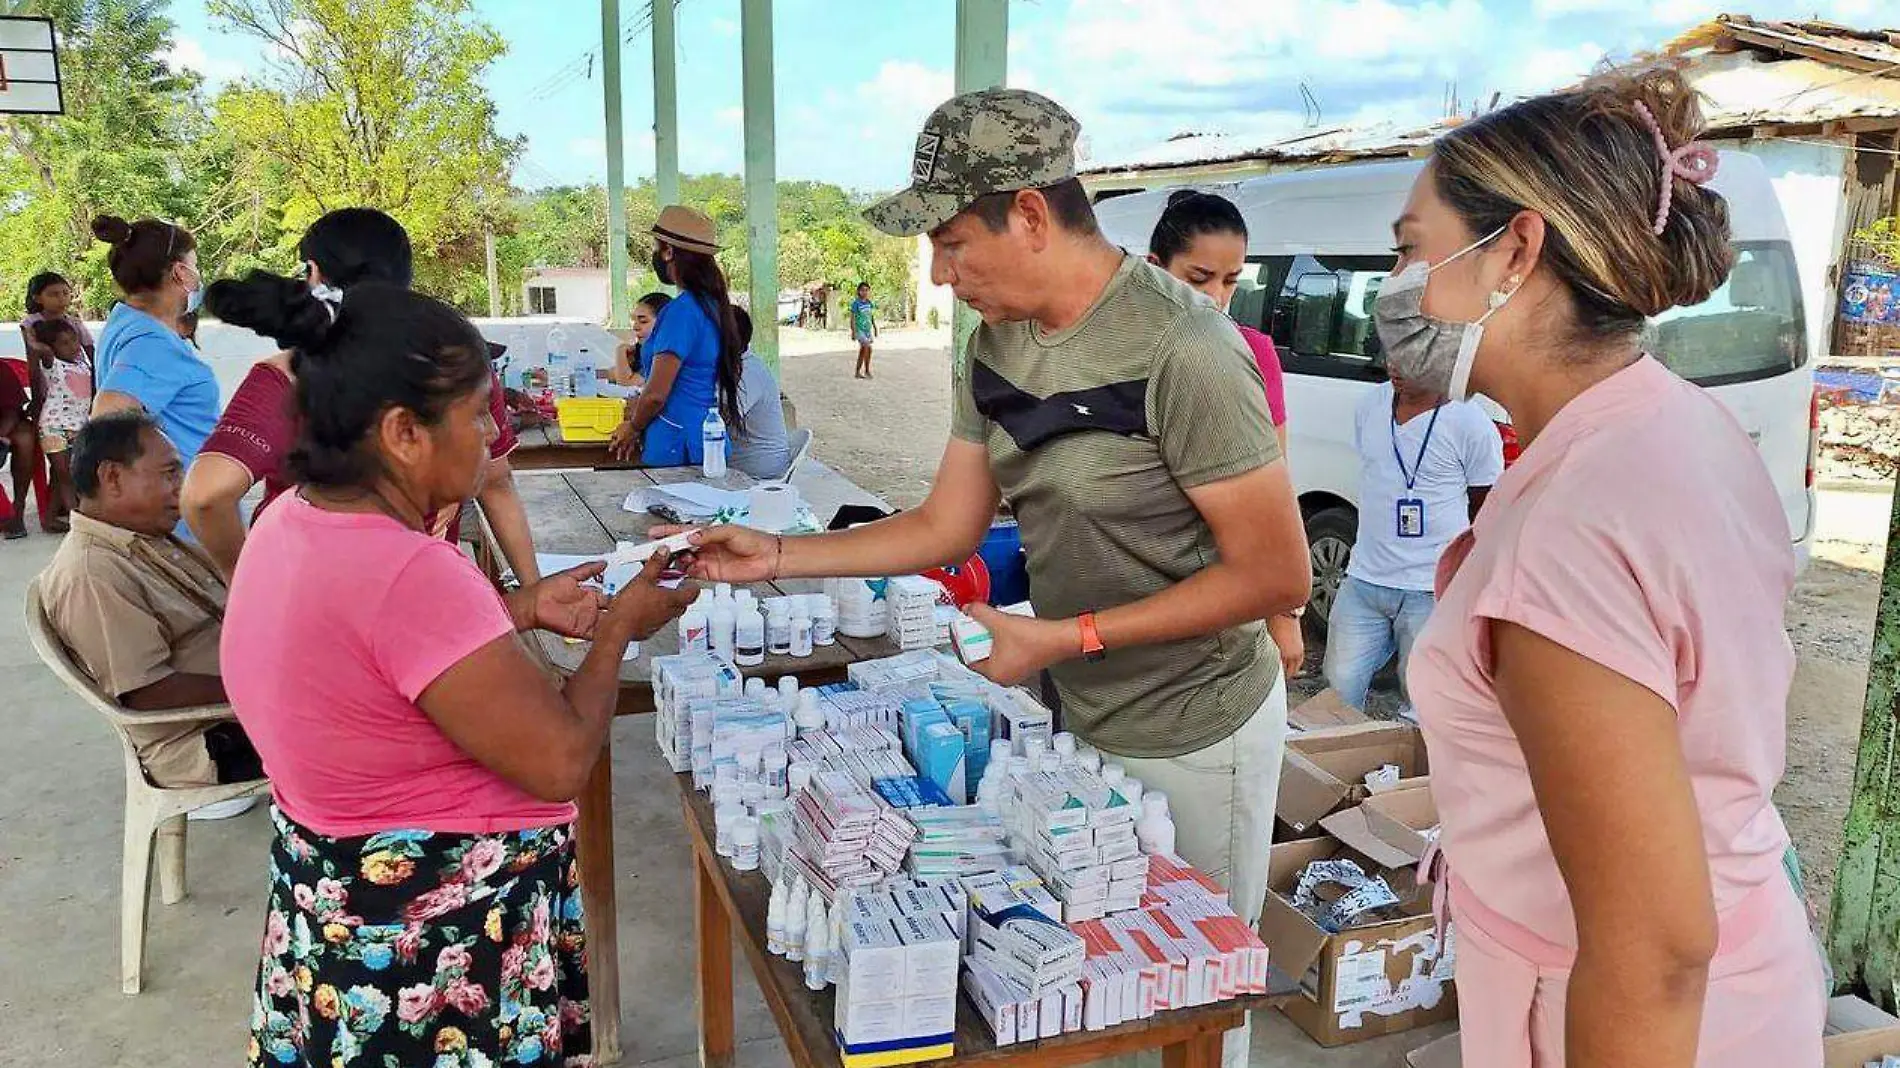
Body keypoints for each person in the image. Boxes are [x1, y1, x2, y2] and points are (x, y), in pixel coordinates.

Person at [668, 89, 1308, 1068]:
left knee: (1186, 1015)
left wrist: (1062, 636)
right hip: (1073, 722)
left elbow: (1273, 575)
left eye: (953, 241)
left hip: (1194, 727)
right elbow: (942, 525)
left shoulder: (1185, 352)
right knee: (1079, 998)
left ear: (1032, 215)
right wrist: (782, 556)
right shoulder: (994, 347)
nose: (938, 269)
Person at [1394, 65, 1825, 1066]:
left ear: (1516, 250)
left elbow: (1652, 949)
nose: (1395, 288)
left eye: (1409, 250)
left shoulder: (1572, 522)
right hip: (1735, 978)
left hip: (1637, 1021)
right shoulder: (1668, 421)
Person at [214, 276, 696, 1067]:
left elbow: (371, 659)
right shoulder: (413, 573)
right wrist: (621, 631)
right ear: (404, 431)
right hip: (437, 953)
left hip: (335, 924)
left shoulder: (289, 522)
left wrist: (524, 606)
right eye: (478, 415)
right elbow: (561, 761)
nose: (491, 437)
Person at [185, 208, 544, 584]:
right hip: (417, 590)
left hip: (303, 596)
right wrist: (533, 588)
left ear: (313, 274)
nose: (487, 431)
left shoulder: (288, 374)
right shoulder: (458, 365)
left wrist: (244, 582)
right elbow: (496, 482)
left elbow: (205, 494)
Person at [37, 411, 263, 810]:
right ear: (112, 478)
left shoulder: (143, 539)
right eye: (169, 474)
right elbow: (149, 692)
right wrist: (272, 691)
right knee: (380, 729)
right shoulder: (92, 572)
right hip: (208, 741)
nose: (182, 488)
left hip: (240, 713)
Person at [1146, 188, 1303, 679]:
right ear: (1154, 268)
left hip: (1220, 594)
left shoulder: (1252, 354)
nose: (1215, 296)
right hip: (1133, 589)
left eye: (1231, 281)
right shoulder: (1119, 354)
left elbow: (1274, 491)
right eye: (1199, 278)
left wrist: (1284, 612)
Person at [1324, 365, 1500, 716]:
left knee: (1424, 701)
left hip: (1431, 588)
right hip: (1364, 579)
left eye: (1408, 355)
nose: (1395, 367)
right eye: (1391, 354)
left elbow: (1488, 505)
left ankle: (1418, 770)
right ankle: (1338, 761)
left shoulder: (1470, 422)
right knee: (1337, 691)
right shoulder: (1371, 406)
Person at [607, 206, 745, 466]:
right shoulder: (711, 305)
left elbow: (657, 393)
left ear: (669, 251)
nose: (655, 254)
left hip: (676, 442)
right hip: (704, 437)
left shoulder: (681, 312)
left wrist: (633, 427)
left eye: (657, 247)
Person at [89, 217, 218, 483]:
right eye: (194, 265)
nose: (197, 275)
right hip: (179, 510)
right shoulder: (152, 341)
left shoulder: (126, 320)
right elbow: (108, 414)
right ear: (180, 272)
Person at [31, 319, 97, 529]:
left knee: (63, 477)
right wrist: (30, 332)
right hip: (54, 427)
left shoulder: (83, 361)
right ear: (52, 348)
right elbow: (37, 347)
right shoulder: (53, 364)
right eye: (64, 343)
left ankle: (50, 519)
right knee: (66, 476)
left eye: (73, 340)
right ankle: (78, 522)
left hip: (78, 427)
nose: (72, 346)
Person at [726, 306, 793, 478]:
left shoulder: (748, 372)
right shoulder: (735, 366)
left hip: (758, 471)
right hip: (742, 465)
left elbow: (719, 419)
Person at [610, 291, 673, 387]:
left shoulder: (667, 355)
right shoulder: (641, 352)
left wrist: (620, 351)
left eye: (643, 321)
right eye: (634, 321)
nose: (635, 327)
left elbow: (627, 384)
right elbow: (611, 374)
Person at [850, 282, 877, 379]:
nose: (864, 292)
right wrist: (853, 331)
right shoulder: (856, 304)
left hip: (867, 330)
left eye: (866, 290)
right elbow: (852, 318)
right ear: (859, 291)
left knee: (865, 350)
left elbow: (871, 316)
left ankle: (858, 371)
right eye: (862, 290)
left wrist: (875, 327)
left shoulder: (869, 303)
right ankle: (866, 371)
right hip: (859, 330)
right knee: (866, 346)